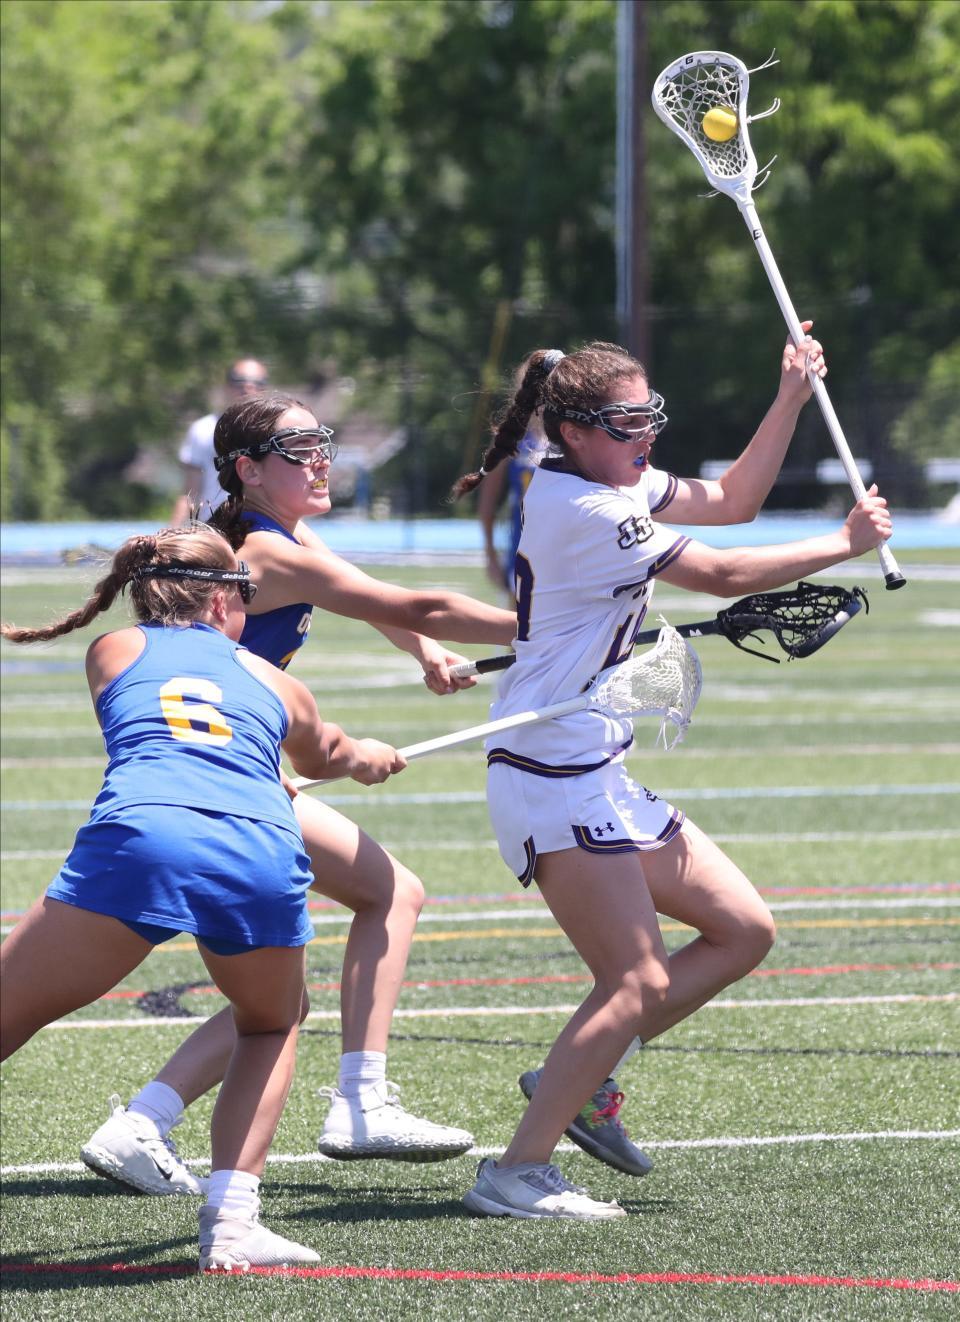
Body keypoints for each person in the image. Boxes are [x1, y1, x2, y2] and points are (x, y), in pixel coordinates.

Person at [449, 333, 893, 1220]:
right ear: (574, 431)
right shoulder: (588, 509)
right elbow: (719, 572)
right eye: (624, 422)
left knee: (743, 930)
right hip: (550, 767)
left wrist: (790, 397)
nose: (642, 435)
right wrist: (842, 542)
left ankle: (586, 1071)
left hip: (593, 760)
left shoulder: (610, 480)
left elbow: (732, 500)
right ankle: (516, 1171)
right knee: (637, 980)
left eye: (649, 416)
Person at [79, 392, 520, 1196]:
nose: (322, 457)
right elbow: (412, 599)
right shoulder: (269, 557)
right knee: (390, 897)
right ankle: (359, 1101)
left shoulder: (272, 536)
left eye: (324, 441)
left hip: (227, 773)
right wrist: (553, 626)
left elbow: (371, 594)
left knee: (283, 993)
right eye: (299, 447)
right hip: (233, 785)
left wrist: (424, 652)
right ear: (248, 469)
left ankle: (144, 1120)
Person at [0, 524, 406, 1270]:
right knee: (267, 1023)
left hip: (141, 839)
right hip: (255, 843)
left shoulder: (112, 650)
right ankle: (231, 1223)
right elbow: (331, 754)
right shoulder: (278, 681)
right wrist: (369, 759)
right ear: (226, 598)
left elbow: (172, 729)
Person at [170, 358, 270, 524]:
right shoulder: (202, 429)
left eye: (257, 382)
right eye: (239, 381)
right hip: (213, 528)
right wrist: (170, 533)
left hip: (263, 527)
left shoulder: (275, 430)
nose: (247, 387)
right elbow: (190, 492)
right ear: (226, 386)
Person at [476, 411, 550, 597]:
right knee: (517, 620)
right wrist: (491, 556)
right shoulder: (512, 435)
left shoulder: (573, 431)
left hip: (565, 543)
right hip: (522, 545)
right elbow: (487, 502)